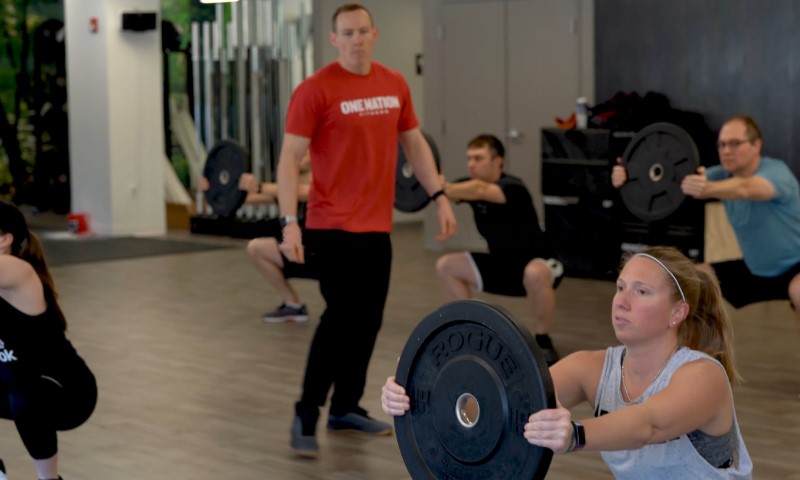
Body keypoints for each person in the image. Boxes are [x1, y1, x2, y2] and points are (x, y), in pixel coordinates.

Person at [383, 246, 753, 478]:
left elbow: (650, 425)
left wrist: (575, 435)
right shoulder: (592, 369)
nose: (622, 301)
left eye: (641, 292)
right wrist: (416, 389)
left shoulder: (702, 375)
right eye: (620, 287)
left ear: (677, 312)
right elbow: (505, 399)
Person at [276, 2, 457, 458]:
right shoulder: (314, 90)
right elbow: (288, 160)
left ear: (375, 34)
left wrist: (439, 196)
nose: (356, 39)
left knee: (368, 321)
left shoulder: (394, 84)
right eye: (347, 33)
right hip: (330, 225)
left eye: (363, 31)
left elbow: (413, 144)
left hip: (377, 227)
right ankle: (306, 412)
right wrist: (288, 224)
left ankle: (345, 406)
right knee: (339, 320)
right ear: (334, 39)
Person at [612, 115, 800, 331]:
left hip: (795, 266)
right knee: (689, 282)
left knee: (799, 291)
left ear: (756, 145)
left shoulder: (776, 171)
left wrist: (708, 189)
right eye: (721, 144)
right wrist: (629, 175)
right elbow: (675, 180)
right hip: (754, 268)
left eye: (735, 143)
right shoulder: (720, 175)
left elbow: (747, 188)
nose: (726, 150)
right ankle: (691, 357)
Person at [435, 134, 564, 364]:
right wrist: (432, 183)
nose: (471, 164)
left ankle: (543, 339)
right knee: (446, 266)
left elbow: (480, 190)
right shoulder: (469, 184)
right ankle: (469, 333)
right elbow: (449, 192)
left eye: (478, 158)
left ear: (498, 161)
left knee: (535, 272)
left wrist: (442, 187)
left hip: (537, 263)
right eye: (469, 158)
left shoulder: (513, 187)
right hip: (501, 265)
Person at [0, 200, 98, 480]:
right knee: (19, 387)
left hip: (69, 392)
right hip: (18, 381)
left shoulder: (21, 272)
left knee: (24, 394)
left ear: (5, 239)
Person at [199, 152, 316, 323]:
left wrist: (260, 186)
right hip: (302, 252)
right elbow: (247, 198)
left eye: (306, 150)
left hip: (330, 252)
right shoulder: (288, 184)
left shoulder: (323, 181)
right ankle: (293, 305)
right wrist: (212, 189)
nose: (300, 154)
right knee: (256, 248)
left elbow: (308, 193)